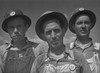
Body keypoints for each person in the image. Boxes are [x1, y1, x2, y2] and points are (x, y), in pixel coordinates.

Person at [0, 9, 40, 73]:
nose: (15, 31)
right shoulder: (2, 51)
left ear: (26, 27)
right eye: (11, 27)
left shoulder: (38, 49)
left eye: (19, 26)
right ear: (7, 30)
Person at [69, 8, 100, 73]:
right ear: (73, 26)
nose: (83, 26)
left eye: (86, 23)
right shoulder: (67, 50)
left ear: (90, 25)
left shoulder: (98, 49)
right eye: (79, 23)